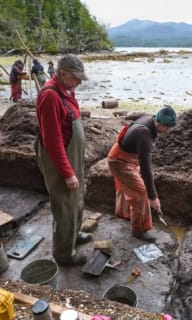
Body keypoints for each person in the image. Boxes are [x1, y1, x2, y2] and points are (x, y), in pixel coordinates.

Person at [35, 54, 91, 266]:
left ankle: (73, 237)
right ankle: (64, 254)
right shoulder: (49, 96)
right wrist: (67, 173)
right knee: (65, 207)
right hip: (59, 159)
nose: (79, 82)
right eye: (76, 78)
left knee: (77, 200)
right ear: (63, 73)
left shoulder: (66, 91)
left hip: (72, 156)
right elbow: (52, 141)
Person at [107, 105, 177, 242]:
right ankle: (139, 229)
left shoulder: (150, 120)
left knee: (129, 188)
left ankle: (124, 213)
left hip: (128, 156)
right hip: (119, 162)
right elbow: (146, 167)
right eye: (167, 128)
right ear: (158, 123)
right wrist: (153, 197)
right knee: (140, 193)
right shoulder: (144, 133)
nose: (168, 131)